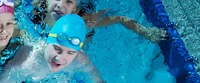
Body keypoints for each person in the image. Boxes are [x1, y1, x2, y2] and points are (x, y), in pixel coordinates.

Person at [30, 0, 167, 42]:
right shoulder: (36, 7)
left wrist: (147, 33)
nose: (60, 4)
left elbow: (120, 19)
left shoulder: (84, 21)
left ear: (75, 10)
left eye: (68, 1)